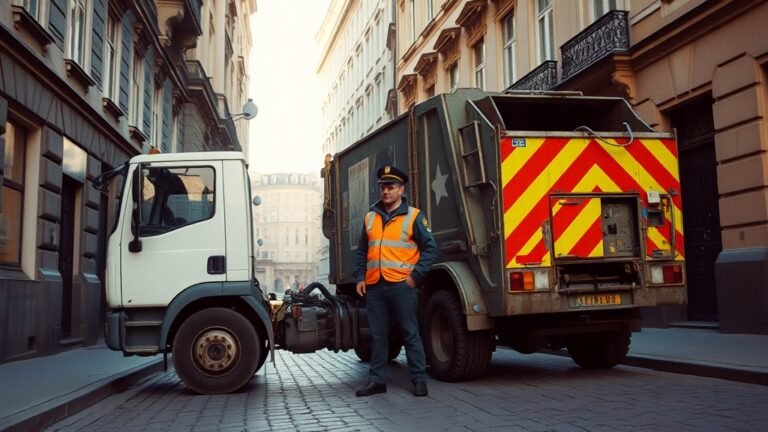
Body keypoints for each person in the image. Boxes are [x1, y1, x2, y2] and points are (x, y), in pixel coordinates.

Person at [354, 165, 437, 397]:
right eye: (382, 186)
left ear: (401, 189)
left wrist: (414, 277)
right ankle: (377, 381)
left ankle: (419, 380)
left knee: (410, 333)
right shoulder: (370, 217)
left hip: (402, 286)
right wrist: (361, 276)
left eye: (390, 186)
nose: (385, 191)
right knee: (378, 336)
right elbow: (362, 251)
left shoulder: (414, 216)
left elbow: (430, 248)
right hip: (375, 287)